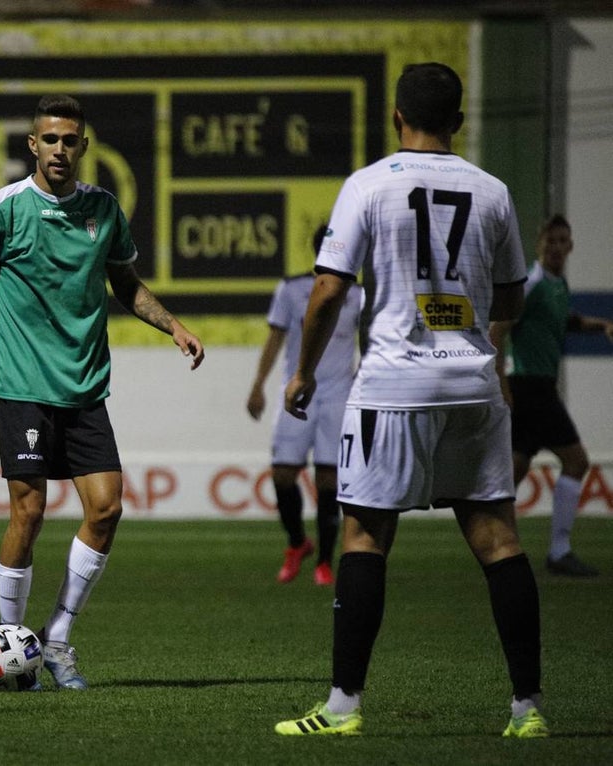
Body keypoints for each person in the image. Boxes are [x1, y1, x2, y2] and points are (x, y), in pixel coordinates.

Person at [274, 63, 547, 738]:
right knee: (498, 537)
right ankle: (528, 710)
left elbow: (330, 292)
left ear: (396, 116)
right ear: (460, 121)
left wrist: (303, 370)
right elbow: (514, 294)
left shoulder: (368, 185)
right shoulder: (493, 192)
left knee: (366, 535)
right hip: (474, 384)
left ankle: (343, 708)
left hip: (392, 385)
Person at [0, 94, 204, 690]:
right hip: (23, 386)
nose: (60, 150)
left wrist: (172, 324)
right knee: (31, 510)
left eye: (71, 140)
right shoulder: (4, 209)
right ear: (32, 145)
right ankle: (11, 642)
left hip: (85, 387)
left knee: (107, 507)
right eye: (50, 140)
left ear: (84, 146)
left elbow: (126, 283)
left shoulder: (104, 209)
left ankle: (59, 637)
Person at [247, 224, 362, 586]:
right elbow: (275, 339)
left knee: (328, 479)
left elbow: (372, 339)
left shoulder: (358, 295)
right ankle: (298, 543)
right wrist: (258, 385)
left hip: (339, 393)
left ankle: (325, 562)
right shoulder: (292, 289)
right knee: (283, 473)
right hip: (295, 389)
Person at [499, 214, 613, 577]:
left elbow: (567, 319)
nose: (557, 247)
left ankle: (498, 547)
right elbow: (499, 326)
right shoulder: (532, 283)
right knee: (577, 461)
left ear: (571, 246)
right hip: (530, 387)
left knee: (513, 472)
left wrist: (602, 326)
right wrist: (499, 380)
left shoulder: (556, 285)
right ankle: (559, 551)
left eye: (563, 241)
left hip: (533, 386)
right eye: (551, 241)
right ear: (539, 245)